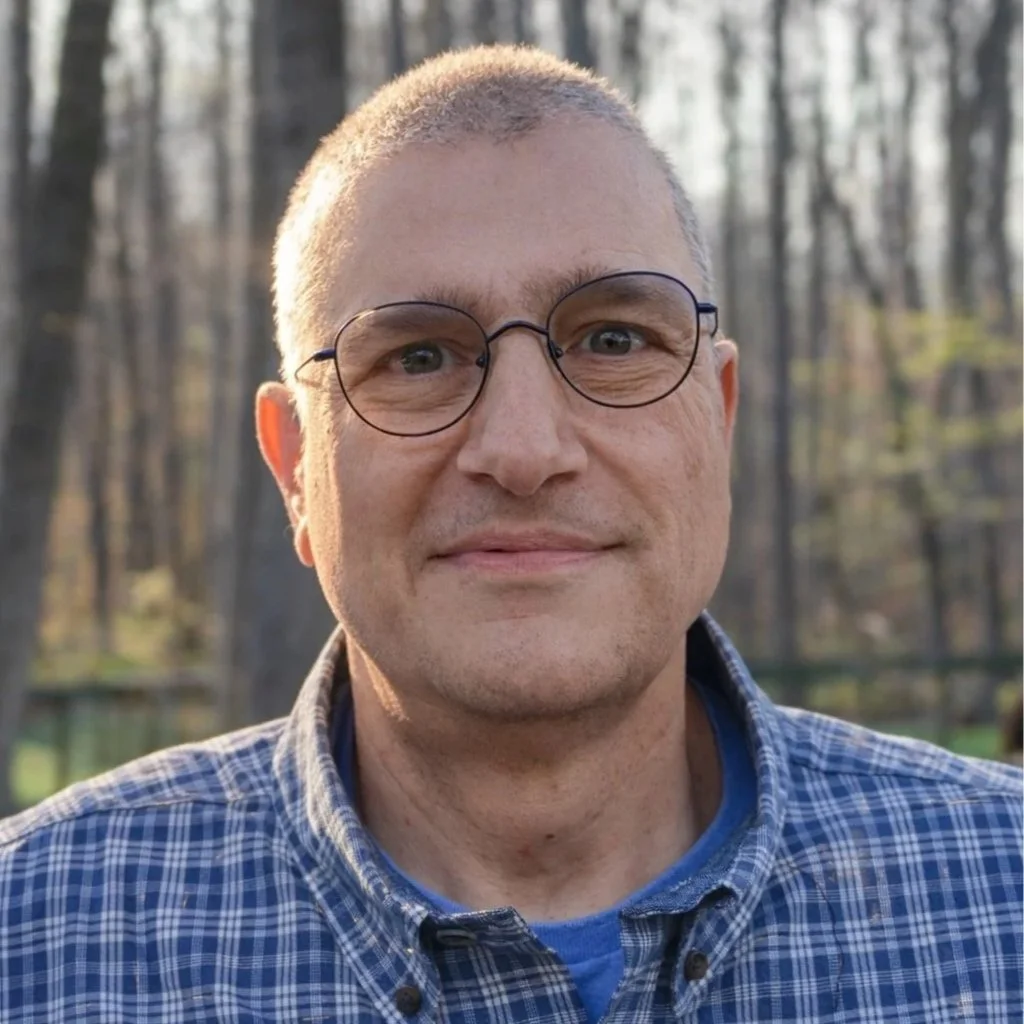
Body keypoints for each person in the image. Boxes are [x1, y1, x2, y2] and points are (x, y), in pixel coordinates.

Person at [1, 45, 1021, 1024]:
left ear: (718, 416)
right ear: (295, 468)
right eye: (416, 356)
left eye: (614, 340)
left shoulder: (998, 894)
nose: (523, 449)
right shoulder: (37, 944)